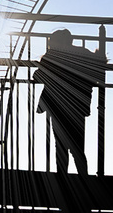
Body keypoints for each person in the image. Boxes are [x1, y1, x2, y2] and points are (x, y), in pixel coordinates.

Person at [34, 29, 105, 175]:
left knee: (60, 147)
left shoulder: (52, 55)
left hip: (57, 105)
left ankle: (63, 180)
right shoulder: (82, 53)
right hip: (78, 105)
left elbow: (38, 76)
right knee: (77, 147)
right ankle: (83, 179)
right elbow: (97, 69)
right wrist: (102, 40)